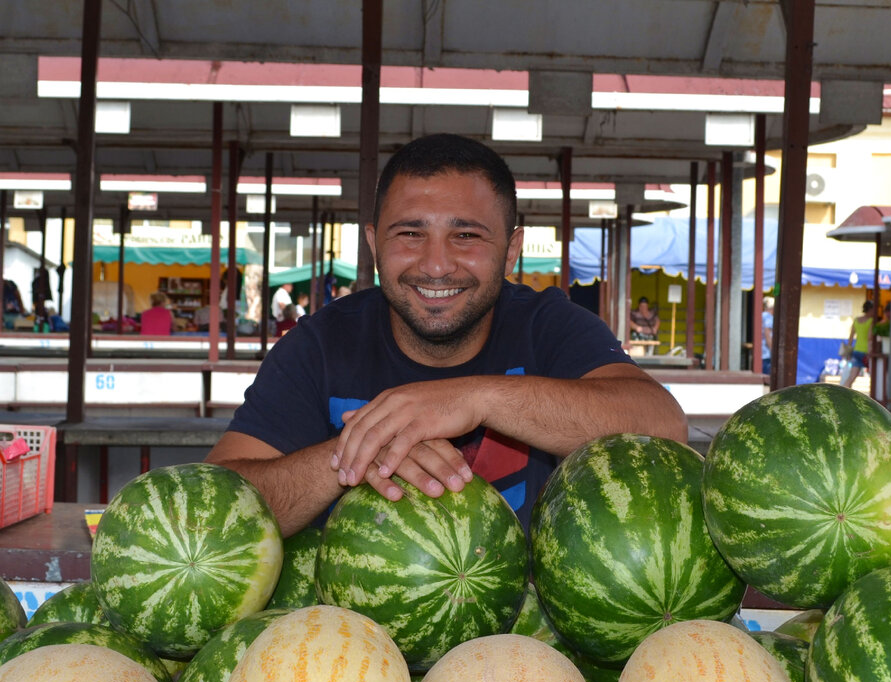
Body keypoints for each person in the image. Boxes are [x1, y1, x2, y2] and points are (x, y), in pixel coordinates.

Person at [205, 133, 686, 535]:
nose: (436, 265)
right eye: (410, 234)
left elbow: (663, 425)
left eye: (467, 236)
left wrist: (477, 398)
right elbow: (212, 510)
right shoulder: (320, 345)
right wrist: (358, 452)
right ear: (374, 244)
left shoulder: (546, 324)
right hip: (353, 638)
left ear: (511, 248)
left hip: (525, 638)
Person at [841, 299, 874, 388]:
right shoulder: (871, 321)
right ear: (870, 310)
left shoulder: (856, 320)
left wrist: (848, 350)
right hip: (866, 352)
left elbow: (851, 337)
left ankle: (844, 392)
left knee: (851, 377)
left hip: (856, 351)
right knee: (874, 377)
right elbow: (870, 338)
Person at [761, 295, 775, 375]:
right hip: (766, 352)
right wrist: (772, 348)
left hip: (761, 352)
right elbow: (767, 334)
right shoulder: (769, 317)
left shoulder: (761, 315)